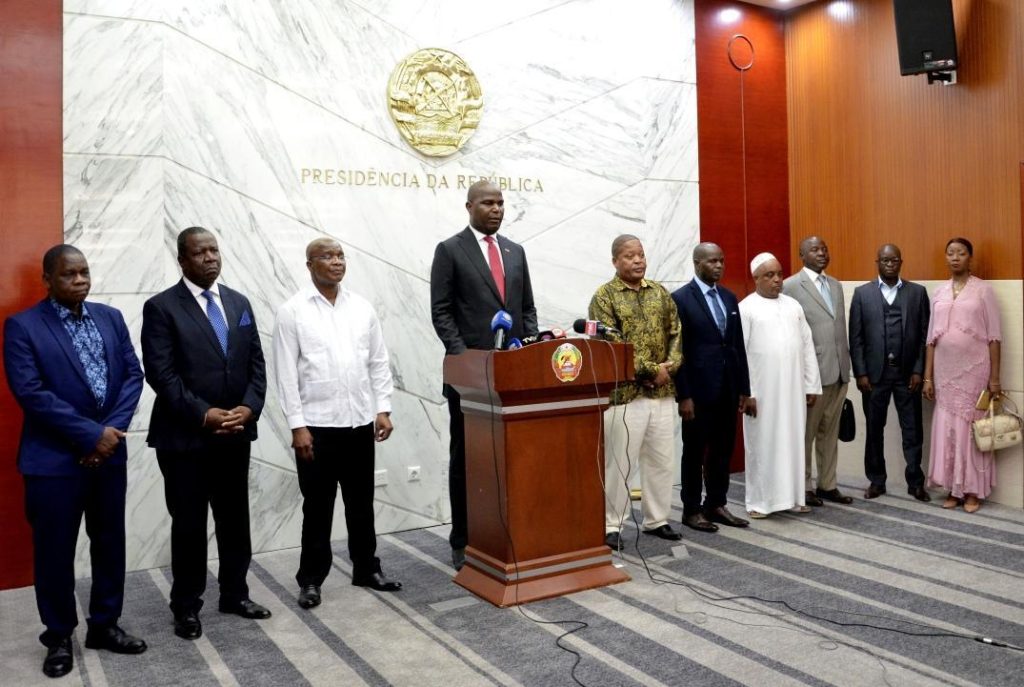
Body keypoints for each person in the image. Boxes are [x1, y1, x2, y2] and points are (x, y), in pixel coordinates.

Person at [3, 245, 147, 678]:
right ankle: (59, 635)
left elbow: (132, 376)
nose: (80, 280)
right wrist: (90, 435)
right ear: (47, 279)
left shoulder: (111, 318)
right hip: (53, 464)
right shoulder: (23, 326)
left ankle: (104, 625)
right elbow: (30, 392)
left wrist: (110, 434)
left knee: (109, 543)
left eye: (85, 272)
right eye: (69, 274)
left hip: (108, 457)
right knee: (54, 553)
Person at [141, 227, 270, 640]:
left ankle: (235, 593)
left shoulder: (238, 302)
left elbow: (255, 364)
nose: (211, 257)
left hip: (235, 432)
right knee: (190, 525)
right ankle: (186, 606)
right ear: (183, 260)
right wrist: (205, 414)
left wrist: (249, 409)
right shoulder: (161, 307)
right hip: (186, 439)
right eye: (200, 252)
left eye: (215, 249)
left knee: (235, 520)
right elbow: (161, 374)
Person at [273, 238, 402, 608]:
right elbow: (286, 375)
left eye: (341, 255)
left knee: (361, 503)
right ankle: (311, 579)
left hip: (360, 423)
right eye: (327, 257)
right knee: (317, 507)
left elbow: (377, 361)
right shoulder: (293, 311)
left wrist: (384, 408)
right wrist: (298, 426)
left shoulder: (361, 308)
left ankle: (366, 568)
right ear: (310, 264)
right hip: (316, 429)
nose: (336, 262)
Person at [430, 180, 539, 570]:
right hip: (469, 380)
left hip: (512, 377)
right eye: (488, 203)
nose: (496, 209)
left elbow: (526, 308)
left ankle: (508, 534)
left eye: (501, 203)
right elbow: (441, 311)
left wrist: (525, 348)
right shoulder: (450, 250)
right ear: (469, 206)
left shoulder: (515, 251)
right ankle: (462, 538)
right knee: (466, 458)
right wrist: (465, 360)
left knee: (510, 459)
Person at [590, 234, 684, 549]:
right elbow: (610, 343)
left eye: (641, 255)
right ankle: (612, 525)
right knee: (620, 464)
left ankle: (657, 520)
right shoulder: (604, 297)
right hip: (624, 395)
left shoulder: (659, 292)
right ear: (615, 261)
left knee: (661, 460)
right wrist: (648, 369)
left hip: (662, 392)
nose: (638, 260)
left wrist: (667, 369)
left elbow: (676, 333)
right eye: (630, 256)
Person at [671, 243, 753, 533]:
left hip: (727, 390)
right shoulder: (680, 299)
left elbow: (736, 347)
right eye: (712, 261)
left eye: (721, 260)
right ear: (696, 263)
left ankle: (716, 504)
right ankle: (691, 509)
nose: (718, 266)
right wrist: (684, 395)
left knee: (722, 450)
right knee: (694, 452)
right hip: (697, 392)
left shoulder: (730, 298)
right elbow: (677, 352)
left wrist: (744, 388)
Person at [922, 237, 1002, 513]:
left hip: (975, 372)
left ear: (970, 257)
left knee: (972, 431)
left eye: (961, 253)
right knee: (948, 429)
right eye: (951, 253)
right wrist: (928, 377)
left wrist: (994, 379)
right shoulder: (939, 292)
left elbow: (994, 338)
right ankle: (952, 489)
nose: (955, 257)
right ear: (946, 258)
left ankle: (972, 491)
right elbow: (931, 339)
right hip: (944, 374)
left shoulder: (984, 291)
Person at [740, 253, 822, 518]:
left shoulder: (793, 306)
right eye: (769, 276)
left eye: (779, 274)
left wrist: (811, 385)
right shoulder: (746, 308)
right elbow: (740, 355)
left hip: (793, 390)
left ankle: (795, 497)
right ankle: (760, 502)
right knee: (762, 446)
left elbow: (807, 346)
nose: (777, 280)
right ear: (755, 279)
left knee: (794, 441)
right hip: (761, 394)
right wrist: (746, 393)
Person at [849, 245, 931, 501]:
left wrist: (919, 370)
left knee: (913, 430)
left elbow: (924, 338)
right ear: (877, 262)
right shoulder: (862, 294)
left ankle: (915, 482)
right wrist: (860, 373)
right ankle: (876, 481)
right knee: (874, 430)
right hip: (874, 378)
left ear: (901, 262)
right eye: (884, 260)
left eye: (894, 259)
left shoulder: (917, 293)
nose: (889, 264)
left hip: (908, 376)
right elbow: (856, 338)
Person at [782, 236, 853, 506]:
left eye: (825, 248)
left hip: (838, 372)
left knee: (830, 433)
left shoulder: (835, 285)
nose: (822, 253)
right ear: (802, 255)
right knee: (806, 434)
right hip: (811, 376)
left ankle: (827, 484)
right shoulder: (790, 286)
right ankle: (804, 486)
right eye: (814, 249)